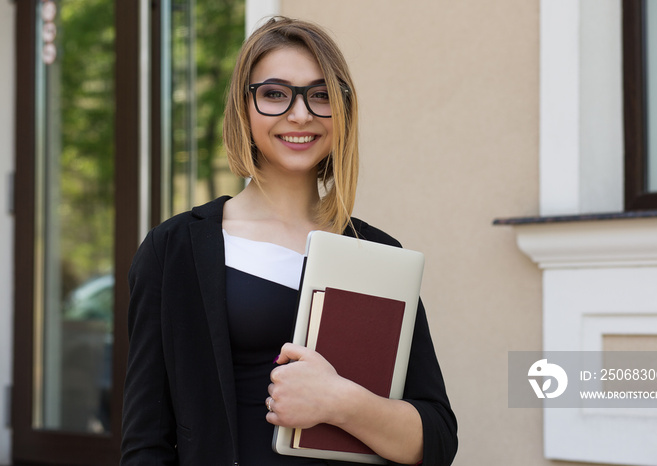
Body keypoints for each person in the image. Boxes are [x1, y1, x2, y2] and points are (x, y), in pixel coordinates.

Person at [121, 16, 458, 466]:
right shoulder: (173, 250)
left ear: (343, 112)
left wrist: (339, 402)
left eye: (320, 95)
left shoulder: (377, 255)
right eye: (275, 94)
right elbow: (146, 443)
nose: (300, 114)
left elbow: (435, 440)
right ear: (244, 107)